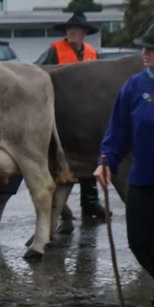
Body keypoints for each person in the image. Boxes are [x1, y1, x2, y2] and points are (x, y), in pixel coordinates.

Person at [95, 20, 154, 307]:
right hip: (143, 178)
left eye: (152, 48)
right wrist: (107, 161)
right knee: (138, 243)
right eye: (144, 47)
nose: (144, 52)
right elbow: (118, 129)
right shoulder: (135, 86)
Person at [19, 12, 106, 220]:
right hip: (62, 111)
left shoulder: (92, 53)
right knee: (60, 159)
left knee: (88, 157)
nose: (72, 32)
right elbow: (38, 72)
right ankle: (60, 208)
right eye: (69, 29)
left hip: (86, 112)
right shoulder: (54, 50)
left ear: (84, 33)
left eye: (76, 29)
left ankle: (90, 203)